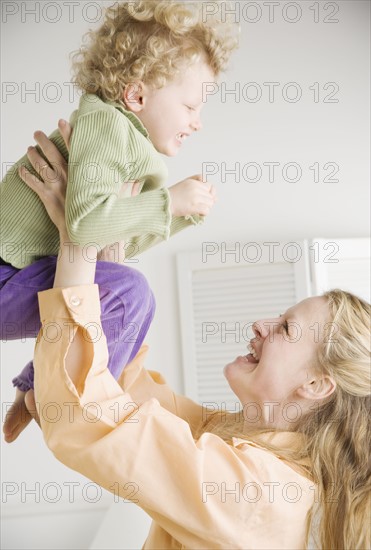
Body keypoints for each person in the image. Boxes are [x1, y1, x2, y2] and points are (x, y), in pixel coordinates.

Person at [9, 126, 371, 549]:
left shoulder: (258, 494)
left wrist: (78, 241)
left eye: (287, 328)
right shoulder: (232, 434)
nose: (261, 324)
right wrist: (109, 256)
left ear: (316, 384)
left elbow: (85, 415)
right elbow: (130, 395)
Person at [1, 0, 238, 441]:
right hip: (4, 273)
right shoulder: (107, 127)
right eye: (190, 107)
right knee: (130, 294)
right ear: (136, 95)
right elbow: (87, 228)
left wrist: (179, 216)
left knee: (127, 294)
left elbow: (114, 243)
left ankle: (44, 390)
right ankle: (71, 402)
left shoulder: (120, 137)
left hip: (15, 275)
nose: (198, 123)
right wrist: (170, 202)